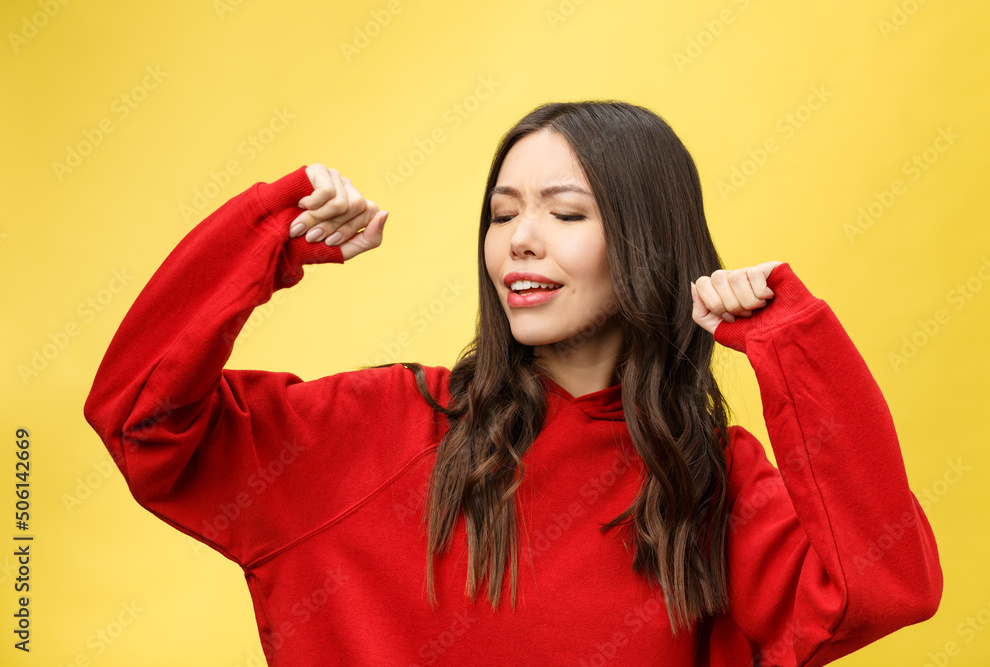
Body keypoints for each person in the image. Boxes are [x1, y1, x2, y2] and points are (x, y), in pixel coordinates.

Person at [84, 101, 942, 666]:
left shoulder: (708, 477)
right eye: (501, 215)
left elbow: (878, 588)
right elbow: (139, 419)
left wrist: (793, 344)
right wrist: (264, 237)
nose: (519, 241)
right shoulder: (380, 429)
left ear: (648, 241)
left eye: (566, 213)